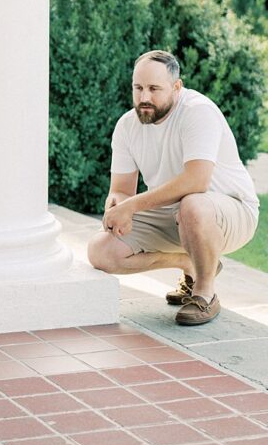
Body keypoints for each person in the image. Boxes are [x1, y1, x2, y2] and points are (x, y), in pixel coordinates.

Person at [88, 50, 259, 326]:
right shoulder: (126, 126)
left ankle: (204, 293)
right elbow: (121, 189)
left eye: (154, 89)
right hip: (174, 214)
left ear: (176, 88)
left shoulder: (197, 112)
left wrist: (132, 206)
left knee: (193, 204)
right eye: (138, 88)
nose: (144, 97)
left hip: (230, 212)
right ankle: (187, 263)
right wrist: (117, 204)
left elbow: (197, 181)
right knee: (100, 251)